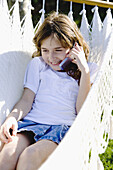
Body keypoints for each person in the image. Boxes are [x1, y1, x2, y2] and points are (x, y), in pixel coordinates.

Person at [0, 12, 98, 170]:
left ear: (73, 46)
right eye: (45, 50)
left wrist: (84, 71)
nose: (51, 57)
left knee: (30, 156)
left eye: (58, 50)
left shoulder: (89, 70)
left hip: (62, 128)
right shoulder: (38, 65)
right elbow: (26, 100)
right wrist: (11, 118)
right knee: (7, 154)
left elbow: (82, 111)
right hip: (32, 124)